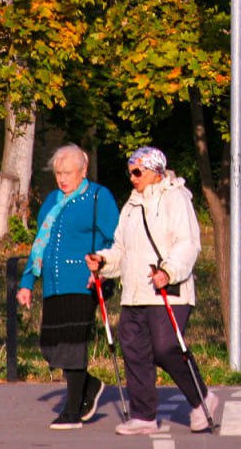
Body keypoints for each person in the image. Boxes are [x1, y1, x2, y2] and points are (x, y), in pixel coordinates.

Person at [86, 145, 218, 436]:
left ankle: (202, 398)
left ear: (156, 172)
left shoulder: (176, 199)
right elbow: (122, 249)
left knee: (166, 347)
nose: (132, 178)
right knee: (134, 349)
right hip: (134, 293)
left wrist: (168, 271)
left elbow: (187, 243)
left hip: (167, 290)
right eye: (130, 172)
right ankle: (144, 415)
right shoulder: (131, 206)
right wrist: (103, 261)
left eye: (138, 171)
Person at [18, 143, 120, 430]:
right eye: (58, 173)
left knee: (73, 344)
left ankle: (72, 410)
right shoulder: (51, 200)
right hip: (53, 283)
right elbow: (40, 242)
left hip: (84, 282)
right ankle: (91, 385)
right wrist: (28, 283)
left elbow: (115, 240)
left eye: (68, 173)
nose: (62, 179)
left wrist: (102, 265)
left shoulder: (99, 197)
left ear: (83, 170)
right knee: (50, 345)